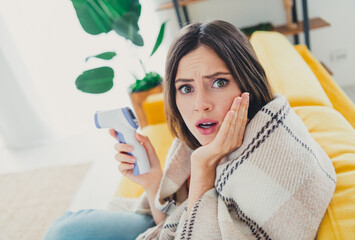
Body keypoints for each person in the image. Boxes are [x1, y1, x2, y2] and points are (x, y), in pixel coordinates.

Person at [44, 20, 336, 240]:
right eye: (186, 88)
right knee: (65, 226)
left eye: (219, 82)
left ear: (247, 82)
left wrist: (203, 165)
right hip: (176, 227)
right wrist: (152, 180)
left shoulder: (273, 150)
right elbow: (173, 223)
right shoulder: (198, 141)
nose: (200, 104)